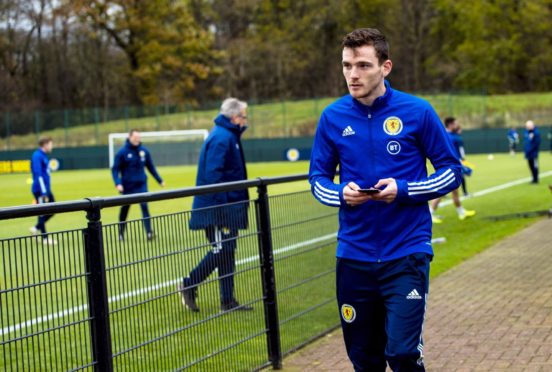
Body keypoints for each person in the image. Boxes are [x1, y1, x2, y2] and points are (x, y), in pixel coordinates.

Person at [308, 28, 462, 371]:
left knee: (403, 354)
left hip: (406, 252)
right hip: (353, 256)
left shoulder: (417, 111)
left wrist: (403, 190)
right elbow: (317, 180)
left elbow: (451, 172)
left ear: (385, 67)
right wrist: (341, 195)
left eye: (363, 65)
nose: (353, 74)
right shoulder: (332, 117)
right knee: (365, 360)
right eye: (347, 65)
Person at [178, 98, 252, 313]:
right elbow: (213, 177)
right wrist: (222, 211)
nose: (244, 120)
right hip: (219, 209)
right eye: (244, 116)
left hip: (227, 206)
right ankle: (189, 283)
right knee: (221, 249)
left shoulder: (228, 135)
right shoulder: (222, 137)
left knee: (227, 251)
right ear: (235, 117)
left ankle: (227, 301)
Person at [111, 129, 165, 241]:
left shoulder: (144, 151)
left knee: (144, 206)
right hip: (128, 187)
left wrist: (159, 180)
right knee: (125, 209)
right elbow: (115, 169)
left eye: (138, 138)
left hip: (141, 185)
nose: (137, 140)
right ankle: (121, 233)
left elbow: (151, 167)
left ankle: (149, 233)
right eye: (135, 138)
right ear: (129, 137)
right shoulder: (122, 153)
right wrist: (118, 183)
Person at [429, 117, 476, 223]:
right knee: (443, 191)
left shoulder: (447, 135)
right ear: (450, 124)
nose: (457, 125)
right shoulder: (450, 137)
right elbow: (455, 154)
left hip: (450, 166)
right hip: (449, 167)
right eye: (455, 123)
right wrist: (462, 165)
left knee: (454, 191)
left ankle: (461, 212)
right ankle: (430, 213)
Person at [29, 137, 57, 245]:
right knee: (42, 212)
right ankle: (45, 238)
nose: (51, 146)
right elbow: (38, 175)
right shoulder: (37, 156)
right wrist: (44, 192)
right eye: (50, 144)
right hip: (40, 190)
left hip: (46, 190)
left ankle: (35, 228)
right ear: (44, 144)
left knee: (53, 209)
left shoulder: (43, 155)